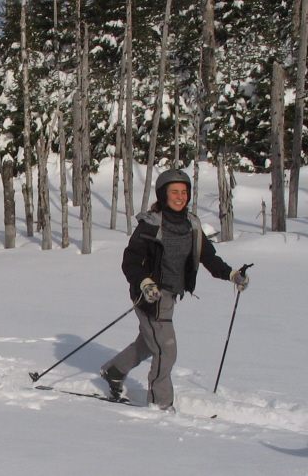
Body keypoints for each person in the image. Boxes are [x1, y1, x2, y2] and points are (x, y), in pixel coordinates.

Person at [100, 168, 250, 411]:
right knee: (166, 350)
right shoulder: (150, 225)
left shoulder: (191, 224)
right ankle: (161, 403)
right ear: (162, 195)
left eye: (184, 192)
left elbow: (208, 257)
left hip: (170, 296)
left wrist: (232, 274)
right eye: (174, 192)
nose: (180, 197)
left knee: (151, 343)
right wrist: (145, 283)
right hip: (150, 296)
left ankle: (115, 370)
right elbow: (130, 261)